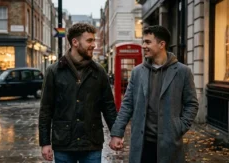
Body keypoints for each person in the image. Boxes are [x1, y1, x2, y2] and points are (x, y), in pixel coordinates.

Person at [109, 25, 199, 163]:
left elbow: (191, 104)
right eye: (143, 42)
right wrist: (117, 133)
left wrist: (179, 127)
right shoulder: (137, 72)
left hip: (169, 143)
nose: (144, 46)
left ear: (162, 44)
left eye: (148, 42)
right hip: (142, 144)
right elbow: (127, 105)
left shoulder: (182, 71)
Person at [39, 23, 117, 163]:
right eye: (89, 41)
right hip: (64, 143)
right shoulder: (54, 71)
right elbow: (46, 109)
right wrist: (45, 143)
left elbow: (108, 106)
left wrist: (116, 134)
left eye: (94, 40)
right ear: (75, 42)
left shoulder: (99, 72)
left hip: (91, 143)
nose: (94, 45)